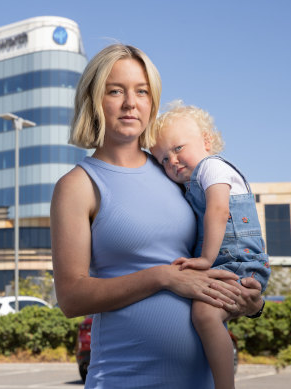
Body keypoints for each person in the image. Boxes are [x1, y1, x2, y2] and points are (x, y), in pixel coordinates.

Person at [50, 44, 264, 388]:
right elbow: (71, 298)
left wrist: (250, 303)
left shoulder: (175, 173)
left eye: (142, 91)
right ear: (94, 99)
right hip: (124, 378)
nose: (130, 103)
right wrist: (163, 277)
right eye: (115, 91)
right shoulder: (77, 185)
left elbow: (214, 259)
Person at [149, 101, 271, 389]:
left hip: (238, 262)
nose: (173, 161)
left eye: (178, 149)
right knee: (209, 316)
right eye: (164, 159)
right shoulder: (192, 182)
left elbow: (218, 211)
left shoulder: (212, 168)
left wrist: (204, 260)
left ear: (206, 141)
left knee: (205, 315)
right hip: (225, 263)